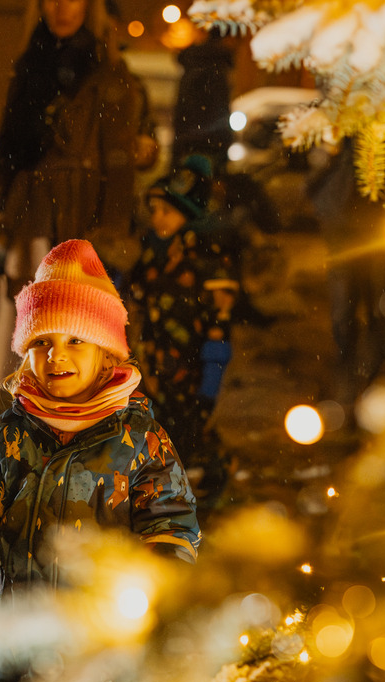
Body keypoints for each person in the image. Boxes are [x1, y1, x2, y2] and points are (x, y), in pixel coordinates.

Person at [0, 239, 200, 682]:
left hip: (98, 640)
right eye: (41, 343)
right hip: (22, 629)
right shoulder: (13, 434)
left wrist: (154, 582)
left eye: (74, 341)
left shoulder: (136, 440)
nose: (55, 357)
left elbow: (171, 520)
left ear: (107, 354)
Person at [0, 0, 145, 390]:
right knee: (26, 295)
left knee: (73, 303)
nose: (62, 8)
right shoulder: (30, 62)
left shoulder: (106, 70)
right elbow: (7, 144)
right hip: (29, 202)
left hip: (80, 204)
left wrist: (111, 224)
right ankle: (26, 393)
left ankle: (71, 395)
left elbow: (118, 158)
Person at [126, 155, 239, 500]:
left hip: (190, 362)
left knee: (189, 422)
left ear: (189, 212)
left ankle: (208, 471)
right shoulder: (153, 255)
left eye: (166, 211)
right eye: (154, 210)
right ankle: (166, 479)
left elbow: (221, 319)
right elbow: (137, 295)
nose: (157, 218)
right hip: (156, 358)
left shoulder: (207, 257)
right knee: (160, 421)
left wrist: (211, 373)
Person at [306, 137, 385, 411]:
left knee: (377, 309)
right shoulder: (343, 124)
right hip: (346, 226)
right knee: (346, 310)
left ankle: (367, 385)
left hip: (379, 227)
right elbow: (319, 170)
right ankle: (348, 386)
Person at [171, 26, 234, 169]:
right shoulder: (215, 69)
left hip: (188, 143)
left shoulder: (195, 64)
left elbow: (183, 111)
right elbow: (219, 111)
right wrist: (223, 142)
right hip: (208, 145)